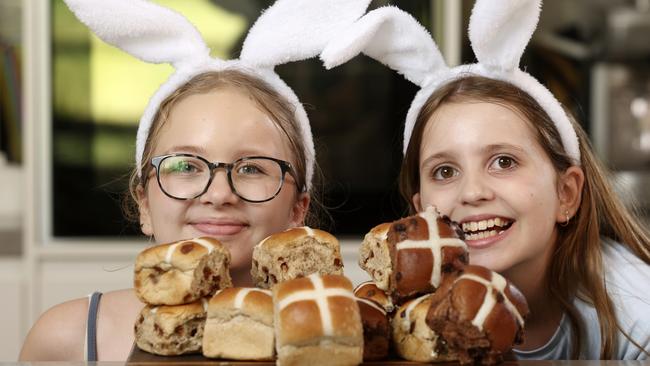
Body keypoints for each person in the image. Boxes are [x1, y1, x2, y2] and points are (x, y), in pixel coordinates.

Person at [19, 0, 371, 361]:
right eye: (186, 167)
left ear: (298, 209)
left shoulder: (344, 337)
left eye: (251, 168)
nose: (219, 195)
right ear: (144, 204)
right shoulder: (68, 339)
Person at [320, 0, 650, 359]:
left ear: (566, 194)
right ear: (420, 213)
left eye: (503, 162)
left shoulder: (636, 319)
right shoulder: (405, 320)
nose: (473, 192)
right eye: (445, 172)